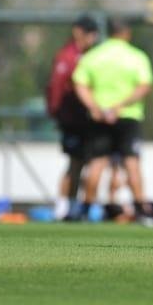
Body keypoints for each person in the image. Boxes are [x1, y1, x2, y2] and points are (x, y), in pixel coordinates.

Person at [73, 17, 153, 221]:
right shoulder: (136, 56)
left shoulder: (93, 56)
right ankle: (141, 211)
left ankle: (85, 210)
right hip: (127, 116)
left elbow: (79, 84)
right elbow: (144, 85)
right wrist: (121, 106)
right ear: (127, 33)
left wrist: (95, 107)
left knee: (96, 163)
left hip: (100, 117)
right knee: (132, 163)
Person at [45, 14, 99, 220]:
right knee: (75, 162)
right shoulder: (67, 56)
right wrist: (57, 113)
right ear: (79, 33)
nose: (93, 40)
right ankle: (62, 206)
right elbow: (56, 88)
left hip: (83, 119)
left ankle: (71, 206)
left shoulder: (85, 55)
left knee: (80, 162)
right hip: (71, 118)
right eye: (91, 35)